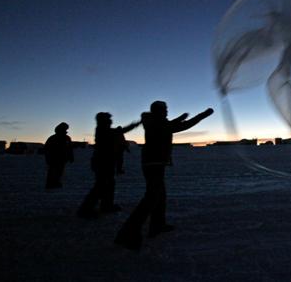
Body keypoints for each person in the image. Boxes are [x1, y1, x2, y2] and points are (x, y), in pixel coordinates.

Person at [115, 101, 214, 250]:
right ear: (158, 111)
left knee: (160, 195)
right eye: (165, 110)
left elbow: (171, 124)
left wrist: (180, 117)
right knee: (151, 198)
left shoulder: (154, 121)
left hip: (154, 163)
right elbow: (180, 127)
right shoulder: (159, 123)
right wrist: (202, 115)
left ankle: (157, 225)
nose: (167, 112)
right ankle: (129, 233)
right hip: (153, 163)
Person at [77, 113, 141, 218]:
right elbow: (120, 131)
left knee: (109, 184)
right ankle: (86, 209)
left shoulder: (104, 130)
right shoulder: (103, 130)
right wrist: (135, 124)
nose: (110, 121)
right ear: (104, 121)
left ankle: (106, 205)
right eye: (108, 119)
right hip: (102, 162)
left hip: (107, 161)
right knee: (101, 185)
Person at [44, 122, 74, 189]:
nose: (66, 130)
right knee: (52, 172)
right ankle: (49, 184)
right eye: (65, 128)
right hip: (53, 158)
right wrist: (48, 157)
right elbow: (47, 148)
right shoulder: (53, 138)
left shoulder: (67, 138)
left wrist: (71, 157)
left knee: (59, 171)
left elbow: (70, 148)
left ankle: (56, 183)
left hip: (62, 158)